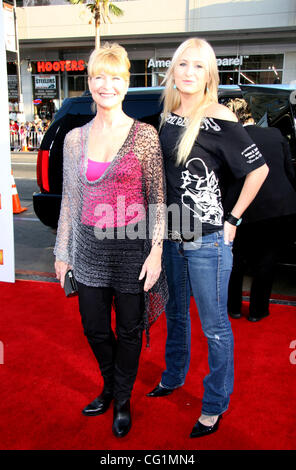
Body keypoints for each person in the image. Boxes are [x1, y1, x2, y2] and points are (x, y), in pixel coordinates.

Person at [147, 37, 269, 438]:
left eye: (198, 66)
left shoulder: (218, 117)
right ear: (173, 69)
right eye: (183, 64)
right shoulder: (169, 115)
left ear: (210, 75)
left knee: (215, 327)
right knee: (177, 316)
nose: (188, 72)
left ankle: (215, 405)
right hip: (173, 238)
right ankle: (173, 376)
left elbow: (259, 170)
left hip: (208, 242)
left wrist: (233, 218)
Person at [54, 42, 167, 438]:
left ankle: (121, 399)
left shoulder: (144, 136)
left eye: (116, 77)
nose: (107, 85)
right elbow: (70, 199)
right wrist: (63, 252)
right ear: (90, 82)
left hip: (133, 249)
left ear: (126, 83)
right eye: (100, 76)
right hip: (87, 248)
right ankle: (110, 382)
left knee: (131, 331)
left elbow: (158, 200)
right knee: (95, 327)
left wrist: (155, 253)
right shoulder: (74, 140)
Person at [225, 98, 296, 322]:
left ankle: (234, 309)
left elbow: (225, 180)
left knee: (236, 262)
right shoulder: (275, 135)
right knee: (267, 260)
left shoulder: (231, 140)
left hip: (244, 210)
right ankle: (258, 312)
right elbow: (290, 172)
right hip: (279, 208)